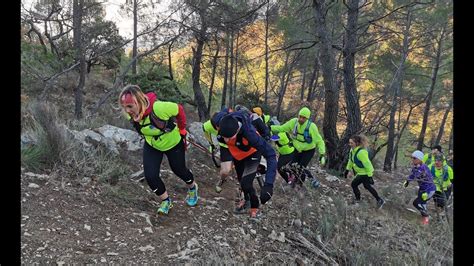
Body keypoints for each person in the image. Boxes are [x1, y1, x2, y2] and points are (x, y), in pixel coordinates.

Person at [118, 85, 198, 215]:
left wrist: (182, 128)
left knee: (179, 170)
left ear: (140, 101)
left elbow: (179, 109)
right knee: (150, 176)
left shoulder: (159, 108)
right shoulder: (130, 115)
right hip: (152, 145)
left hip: (172, 143)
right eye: (124, 107)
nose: (127, 111)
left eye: (130, 107)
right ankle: (166, 200)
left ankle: (192, 187)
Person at [218, 111, 277, 219]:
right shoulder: (222, 120)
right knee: (241, 181)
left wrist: (268, 185)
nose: (226, 140)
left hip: (252, 153)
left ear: (237, 130)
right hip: (237, 154)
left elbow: (271, 155)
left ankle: (254, 207)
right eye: (223, 136)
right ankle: (247, 200)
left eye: (229, 137)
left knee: (246, 183)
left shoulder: (250, 134)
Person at [270, 107, 326, 186]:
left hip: (308, 151)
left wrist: (322, 154)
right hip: (297, 149)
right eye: (300, 116)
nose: (301, 119)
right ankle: (297, 181)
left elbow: (319, 141)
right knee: (292, 166)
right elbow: (282, 128)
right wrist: (269, 127)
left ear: (307, 118)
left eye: (304, 118)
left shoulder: (311, 127)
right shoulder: (294, 122)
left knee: (301, 167)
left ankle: (300, 184)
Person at [344, 135, 385, 208]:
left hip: (365, 173)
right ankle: (379, 200)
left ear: (357, 143)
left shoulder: (361, 152)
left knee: (354, 184)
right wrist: (347, 170)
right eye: (349, 143)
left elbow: (368, 164)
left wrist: (369, 176)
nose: (350, 144)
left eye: (351, 143)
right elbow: (350, 160)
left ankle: (358, 200)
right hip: (360, 172)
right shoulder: (352, 150)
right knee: (367, 186)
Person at [202, 108, 233, 193]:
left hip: (237, 145)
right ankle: (222, 179)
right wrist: (211, 144)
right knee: (225, 171)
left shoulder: (231, 120)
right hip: (225, 147)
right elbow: (205, 131)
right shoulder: (208, 125)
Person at [403, 150, 437, 225]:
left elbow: (430, 181)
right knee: (422, 204)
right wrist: (407, 181)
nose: (412, 160)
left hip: (430, 189)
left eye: (414, 158)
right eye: (412, 158)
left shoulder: (424, 169)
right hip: (422, 189)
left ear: (419, 159)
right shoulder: (415, 167)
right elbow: (412, 175)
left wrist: (427, 192)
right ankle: (426, 221)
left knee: (416, 203)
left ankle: (426, 216)